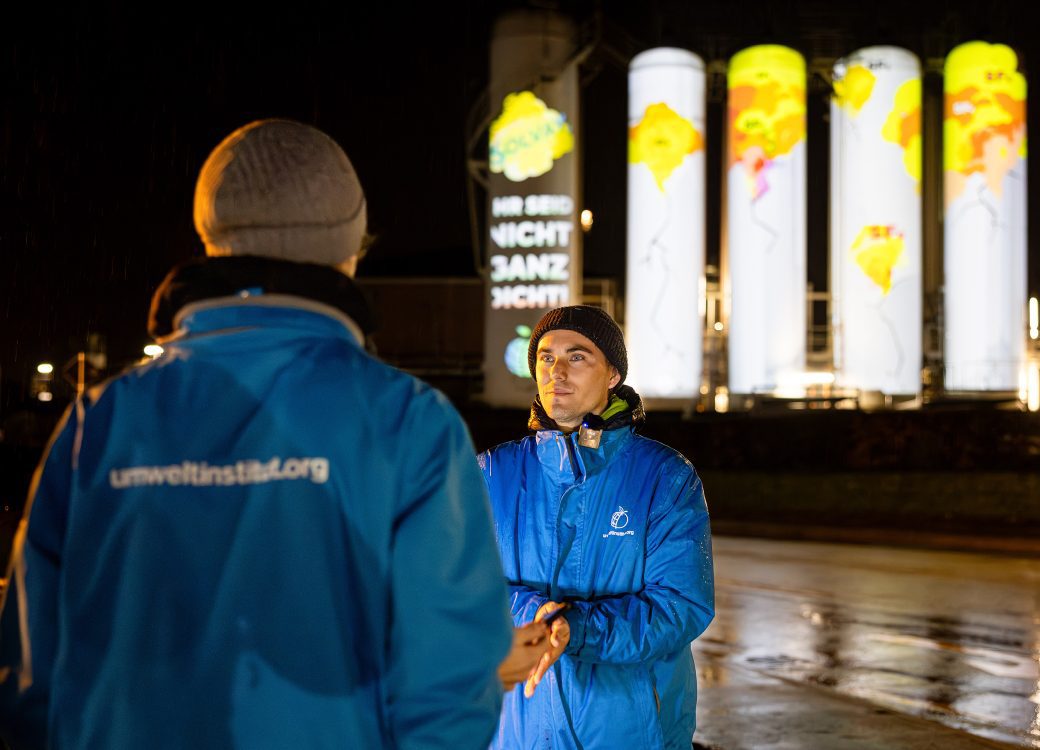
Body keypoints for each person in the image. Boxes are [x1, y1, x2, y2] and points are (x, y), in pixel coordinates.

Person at [0, 119, 523, 749]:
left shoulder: (100, 422)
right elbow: (446, 686)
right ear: (349, 250)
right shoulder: (406, 421)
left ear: (212, 242)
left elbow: (32, 680)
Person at [478, 305, 715, 750]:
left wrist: (578, 628)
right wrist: (538, 618)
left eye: (577, 356)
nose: (557, 372)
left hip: (629, 731)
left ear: (612, 375)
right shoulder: (492, 473)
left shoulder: (665, 476)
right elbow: (458, 586)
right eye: (546, 358)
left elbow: (681, 605)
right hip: (517, 731)